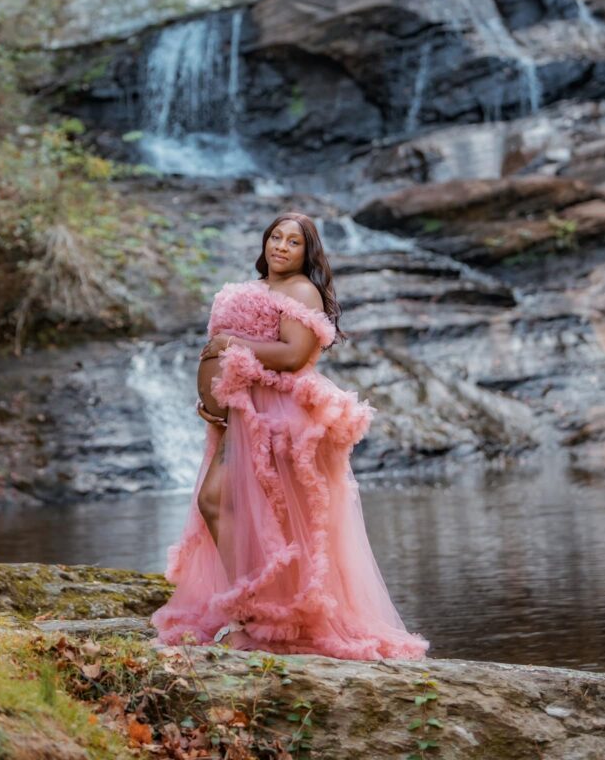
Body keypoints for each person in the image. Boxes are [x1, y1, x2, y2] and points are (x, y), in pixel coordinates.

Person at [151, 212, 428, 660]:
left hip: (281, 417)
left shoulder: (303, 290)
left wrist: (231, 345)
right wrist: (216, 403)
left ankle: (267, 616)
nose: (281, 246)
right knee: (226, 505)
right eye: (275, 237)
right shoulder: (256, 289)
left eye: (293, 241)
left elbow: (294, 354)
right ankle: (252, 609)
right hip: (244, 415)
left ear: (307, 252)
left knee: (266, 514)